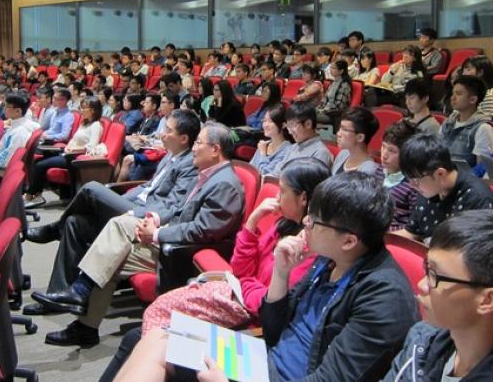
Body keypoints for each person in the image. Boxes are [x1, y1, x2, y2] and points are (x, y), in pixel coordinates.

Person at [107, 159, 330, 381]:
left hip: (248, 325)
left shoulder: (307, 250)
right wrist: (252, 222)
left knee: (146, 336)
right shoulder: (283, 225)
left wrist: (245, 283)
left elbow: (268, 303)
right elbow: (240, 269)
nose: (276, 198)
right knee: (137, 335)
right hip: (237, 298)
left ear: (303, 198)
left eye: (282, 191)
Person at [190, 172, 420, 382]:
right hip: (263, 362)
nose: (305, 224)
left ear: (348, 241)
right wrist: (281, 273)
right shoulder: (328, 260)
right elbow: (273, 331)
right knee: (164, 340)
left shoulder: (384, 298)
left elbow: (330, 379)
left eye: (315, 221)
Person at [32, 122, 244, 347]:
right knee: (109, 253)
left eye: (199, 143)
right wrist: (155, 219)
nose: (194, 147)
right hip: (169, 239)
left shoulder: (225, 184)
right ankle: (85, 324)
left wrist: (157, 233)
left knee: (118, 231)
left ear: (215, 149)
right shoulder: (208, 175)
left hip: (182, 253)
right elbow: (178, 209)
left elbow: (203, 231)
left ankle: (81, 295)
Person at [23, 110, 201, 312]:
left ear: (184, 138)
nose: (162, 134)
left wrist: (135, 213)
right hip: (132, 205)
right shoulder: (170, 156)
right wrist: (117, 201)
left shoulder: (190, 165)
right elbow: (146, 188)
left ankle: (55, 229)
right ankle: (59, 295)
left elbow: (171, 205)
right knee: (75, 223)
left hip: (142, 215)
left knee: (90, 188)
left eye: (168, 130)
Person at [383, 210, 493, 382]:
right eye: (427, 269)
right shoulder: (423, 339)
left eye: (435, 276)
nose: (422, 285)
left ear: (488, 300)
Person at [395, 133, 493, 242]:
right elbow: (411, 232)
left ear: (440, 174)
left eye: (416, 181)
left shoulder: (479, 200)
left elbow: (485, 251)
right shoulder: (428, 189)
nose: (413, 186)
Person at [25, 97, 104, 207]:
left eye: (84, 108)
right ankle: (34, 193)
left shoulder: (96, 125)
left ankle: (31, 194)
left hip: (75, 157)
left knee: (40, 165)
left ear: (93, 110)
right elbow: (73, 139)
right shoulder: (84, 123)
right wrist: (68, 147)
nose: (81, 110)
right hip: (68, 152)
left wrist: (73, 150)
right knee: (39, 160)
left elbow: (91, 146)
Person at [0, 91, 39, 177]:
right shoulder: (16, 125)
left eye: (6, 106)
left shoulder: (20, 132)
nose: (3, 109)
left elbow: (6, 161)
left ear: (18, 111)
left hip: (0, 172)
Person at [439, 75, 493, 167]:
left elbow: (481, 168)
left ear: (473, 99)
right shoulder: (448, 123)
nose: (452, 98)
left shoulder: (483, 128)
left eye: (458, 94)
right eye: (452, 93)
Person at [381, 120, 420, 231]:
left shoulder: (414, 186)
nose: (384, 155)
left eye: (392, 151)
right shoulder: (378, 172)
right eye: (383, 146)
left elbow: (414, 228)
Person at [275, 102, 333, 174]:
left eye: (292, 125)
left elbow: (311, 184)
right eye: (288, 126)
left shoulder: (320, 153)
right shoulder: (293, 147)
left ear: (308, 124)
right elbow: (277, 171)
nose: (290, 132)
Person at [331, 107, 381, 178]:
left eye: (344, 129)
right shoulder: (343, 154)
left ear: (360, 137)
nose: (338, 134)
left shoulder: (369, 170)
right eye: (340, 128)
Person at [461, 54, 493, 119]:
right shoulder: (472, 93)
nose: (463, 74)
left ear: (480, 72)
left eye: (468, 69)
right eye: (463, 70)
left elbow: (483, 123)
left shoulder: (489, 95)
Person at [250, 104, 292, 175]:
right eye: (264, 120)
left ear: (283, 125)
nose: (265, 125)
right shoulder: (264, 144)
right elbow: (250, 168)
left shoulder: (287, 150)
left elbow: (266, 175)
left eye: (270, 121)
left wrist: (263, 154)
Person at [316, 60, 352, 128]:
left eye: (333, 68)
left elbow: (339, 106)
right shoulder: (333, 82)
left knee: (308, 116)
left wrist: (322, 111)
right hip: (325, 111)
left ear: (341, 71)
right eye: (330, 68)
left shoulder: (344, 85)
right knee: (307, 113)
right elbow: (324, 100)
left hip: (333, 115)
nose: (331, 70)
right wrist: (318, 109)